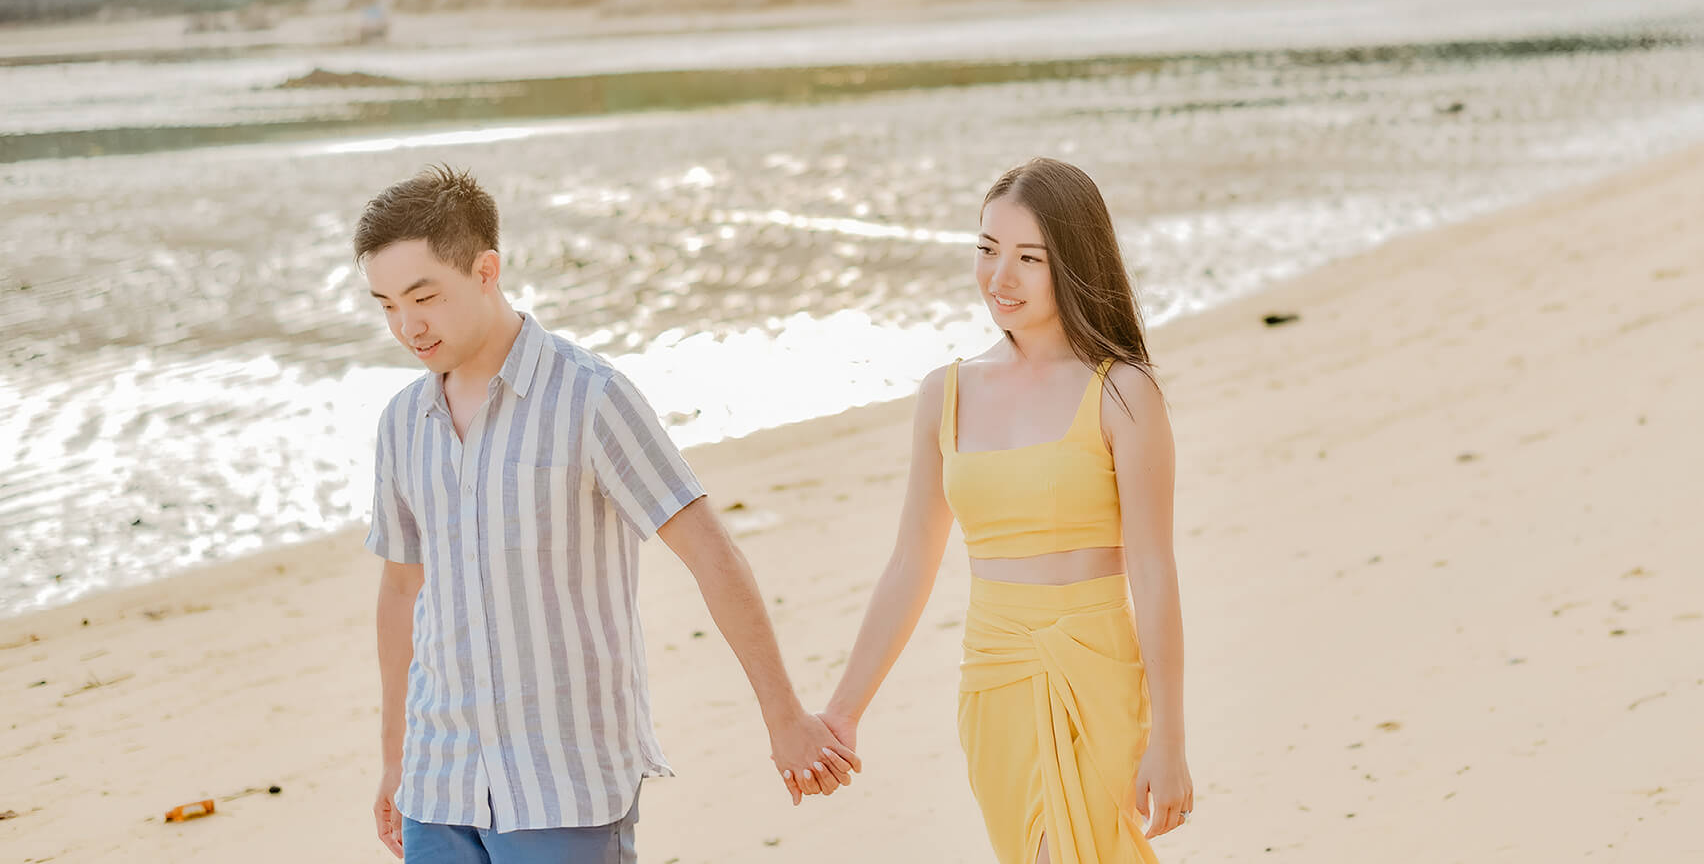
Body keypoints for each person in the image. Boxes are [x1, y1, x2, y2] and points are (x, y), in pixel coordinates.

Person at [357, 164, 855, 863]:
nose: (407, 325)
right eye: (385, 305)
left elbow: (711, 552)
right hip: (439, 783)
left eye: (423, 296)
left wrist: (784, 715)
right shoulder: (402, 422)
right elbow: (403, 591)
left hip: (562, 785)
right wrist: (394, 759)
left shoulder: (590, 398)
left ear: (485, 270)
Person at [817, 157, 1193, 862]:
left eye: (1028, 259)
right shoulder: (945, 392)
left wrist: (1170, 739)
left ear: (1075, 264)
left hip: (1096, 673)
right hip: (995, 678)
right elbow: (910, 563)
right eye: (987, 251)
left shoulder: (1123, 393)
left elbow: (1153, 570)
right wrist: (843, 712)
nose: (1000, 279)